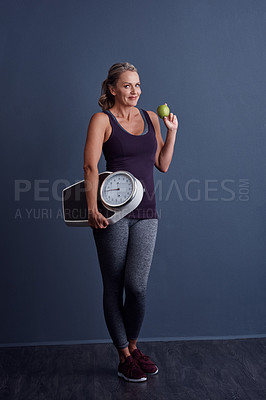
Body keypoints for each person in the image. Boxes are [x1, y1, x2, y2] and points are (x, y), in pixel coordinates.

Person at [83, 62, 178, 382]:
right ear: (112, 88)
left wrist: (172, 131)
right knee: (113, 285)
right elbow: (90, 166)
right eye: (127, 85)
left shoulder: (151, 118)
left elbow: (162, 165)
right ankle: (124, 355)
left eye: (137, 85)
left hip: (147, 212)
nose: (135, 91)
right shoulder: (101, 120)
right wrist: (91, 209)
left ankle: (134, 348)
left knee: (136, 287)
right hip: (111, 213)